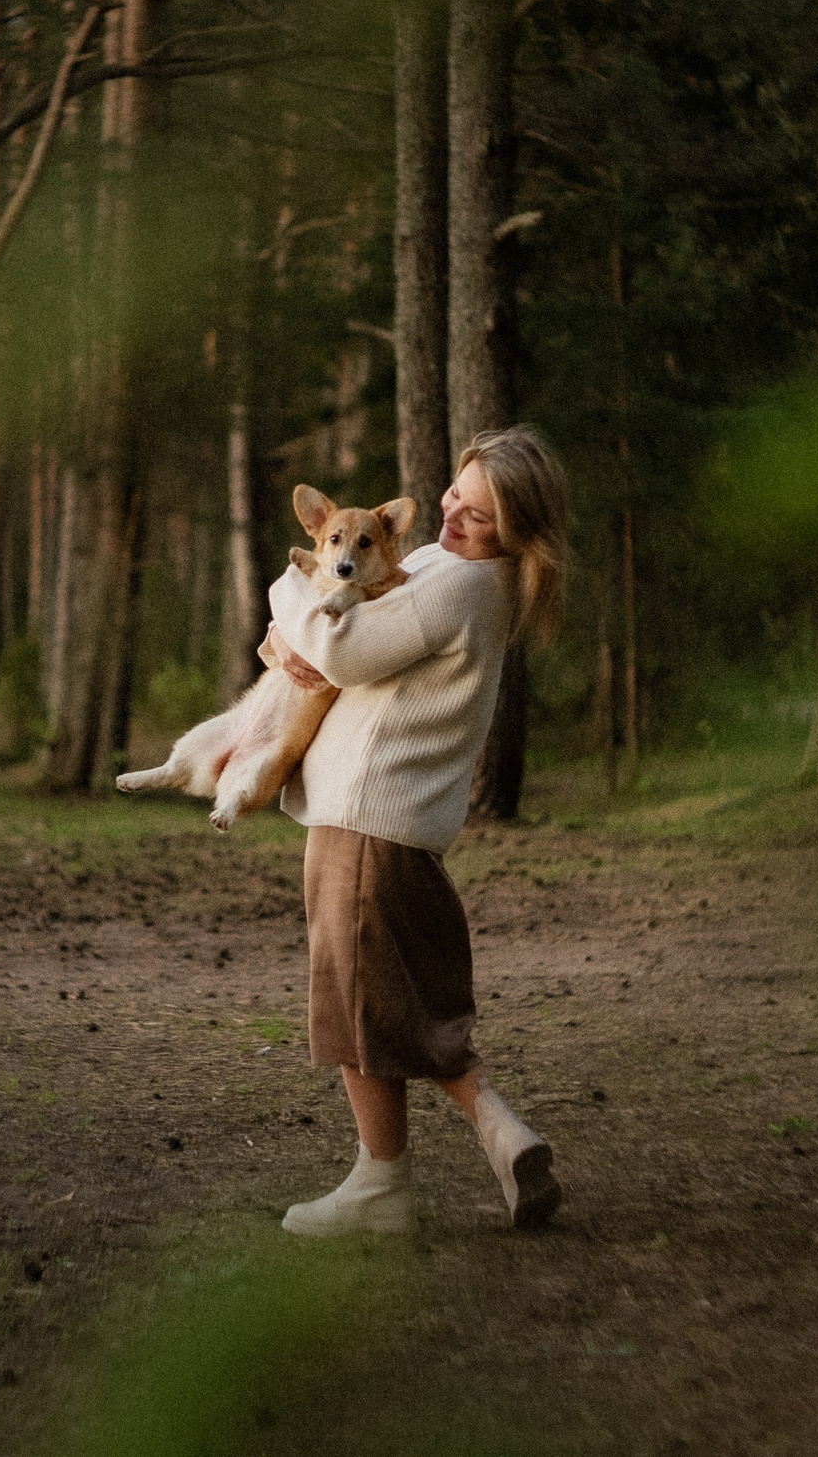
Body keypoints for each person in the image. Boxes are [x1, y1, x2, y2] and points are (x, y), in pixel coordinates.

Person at [257, 425, 571, 1236]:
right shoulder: (458, 570)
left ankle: (382, 1184)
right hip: (389, 821)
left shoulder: (459, 585)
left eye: (479, 513)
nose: (454, 518)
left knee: (355, 1002)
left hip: (366, 816)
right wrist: (296, 648)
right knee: (402, 999)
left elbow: (337, 641)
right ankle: (502, 1135)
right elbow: (333, 643)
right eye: (454, 497)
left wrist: (284, 602)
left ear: (517, 529)